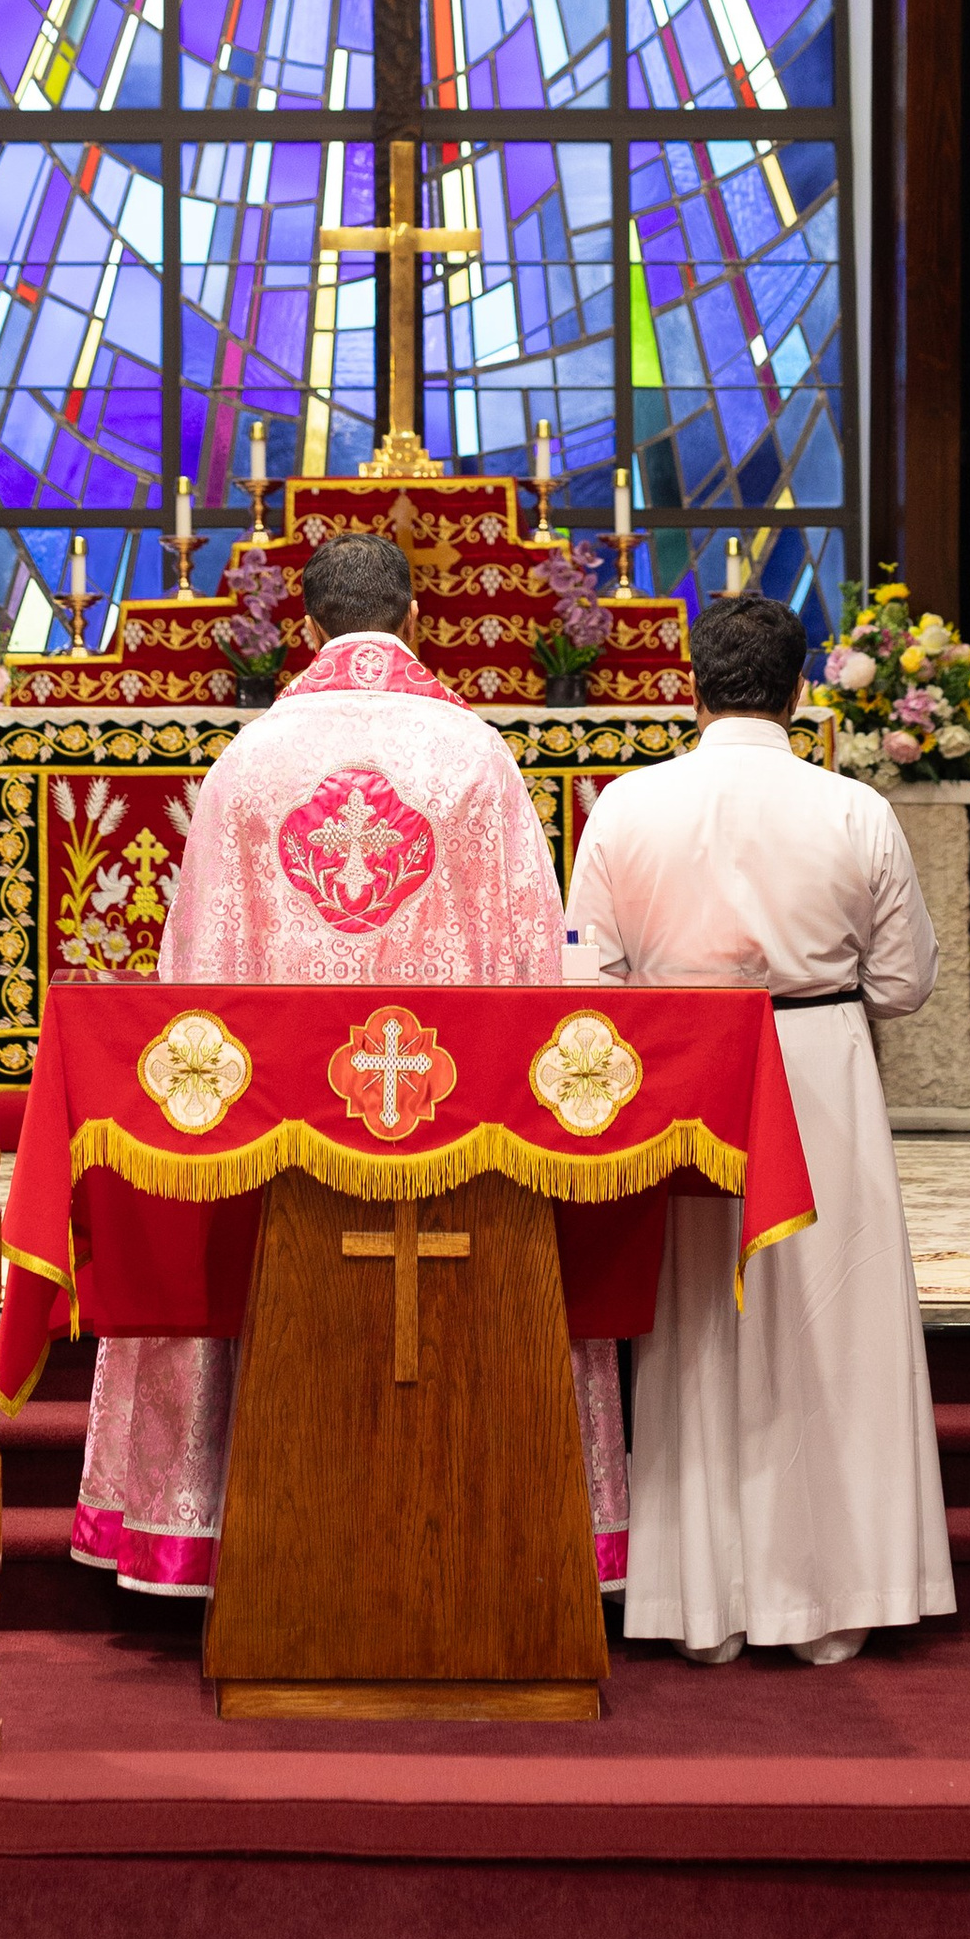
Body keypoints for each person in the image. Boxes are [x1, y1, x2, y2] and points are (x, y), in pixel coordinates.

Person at [73, 527, 628, 1595]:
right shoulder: (475, 754)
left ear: (309, 630)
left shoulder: (248, 761)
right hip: (451, 1124)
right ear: (413, 621)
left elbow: (195, 974)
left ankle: (219, 1532)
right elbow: (531, 968)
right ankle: (489, 1535)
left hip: (285, 1130)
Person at [564, 591, 953, 1665]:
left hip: (687, 1077)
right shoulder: (850, 809)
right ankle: (834, 1605)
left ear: (690, 688)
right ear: (797, 690)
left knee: (698, 1330)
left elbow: (577, 977)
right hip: (819, 1067)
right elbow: (908, 981)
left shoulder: (629, 806)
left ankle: (701, 1609)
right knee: (831, 1328)